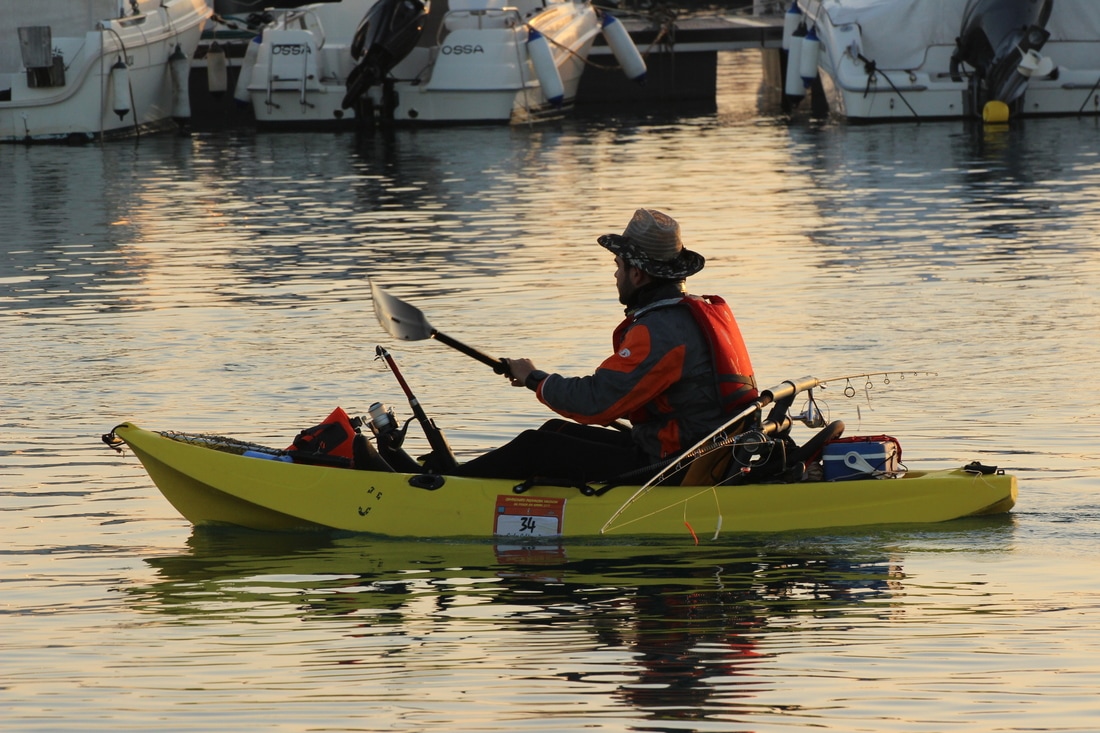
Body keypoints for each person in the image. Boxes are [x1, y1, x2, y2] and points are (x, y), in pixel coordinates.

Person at [451, 208, 757, 484]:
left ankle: (443, 489)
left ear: (636, 274)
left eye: (618, 265)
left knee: (535, 446)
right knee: (554, 432)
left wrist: (534, 379)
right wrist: (541, 382)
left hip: (672, 467)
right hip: (698, 455)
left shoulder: (660, 330)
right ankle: (455, 481)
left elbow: (595, 402)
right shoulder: (694, 314)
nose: (615, 274)